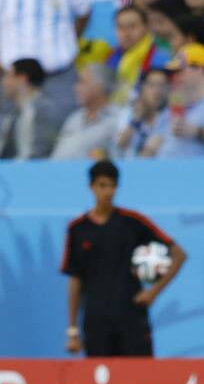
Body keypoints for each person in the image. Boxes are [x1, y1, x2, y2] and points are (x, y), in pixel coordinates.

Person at [62, 160, 187, 358]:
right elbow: (75, 280)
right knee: (101, 383)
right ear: (92, 187)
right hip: (96, 321)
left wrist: (153, 291)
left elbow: (179, 254)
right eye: (103, 185)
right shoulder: (78, 229)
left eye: (112, 186)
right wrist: (72, 331)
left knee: (140, 382)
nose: (108, 192)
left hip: (132, 317)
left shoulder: (133, 222)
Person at [0, 58, 61, 159]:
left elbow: (38, 154)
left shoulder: (44, 110)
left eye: (8, 76)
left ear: (22, 78)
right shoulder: (13, 113)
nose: (4, 82)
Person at [50, 64, 120, 159]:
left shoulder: (117, 120)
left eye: (82, 82)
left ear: (99, 87)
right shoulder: (74, 118)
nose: (76, 88)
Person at [114, 67, 170, 158]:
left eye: (162, 85)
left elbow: (151, 152)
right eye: (151, 85)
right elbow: (119, 145)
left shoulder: (170, 117)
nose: (157, 91)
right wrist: (136, 120)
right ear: (142, 88)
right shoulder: (129, 113)